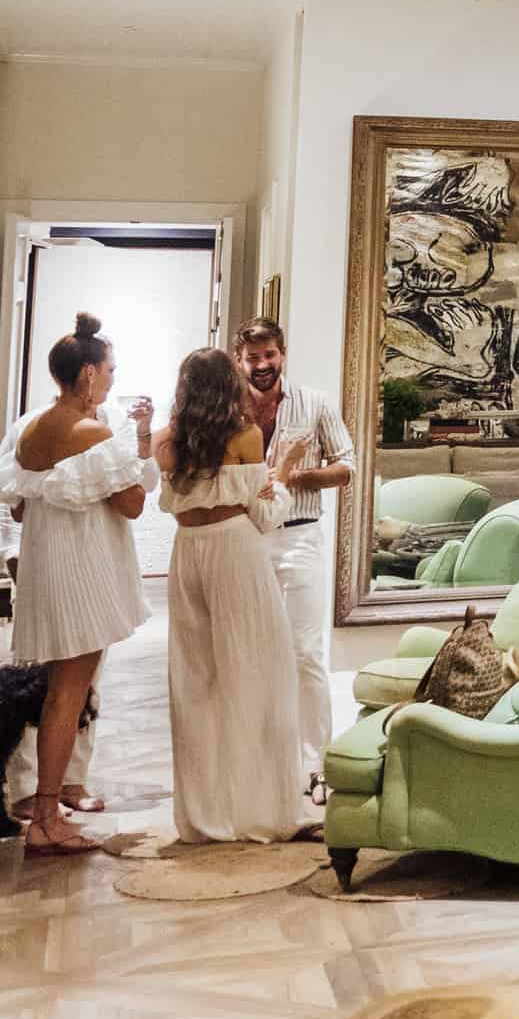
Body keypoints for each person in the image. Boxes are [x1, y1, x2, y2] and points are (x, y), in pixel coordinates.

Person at [0, 314, 153, 855]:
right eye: (109, 370)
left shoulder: (30, 429)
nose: (112, 379)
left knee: (59, 690)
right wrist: (137, 450)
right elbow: (132, 504)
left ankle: (44, 804)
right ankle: (46, 817)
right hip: (83, 572)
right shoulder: (92, 432)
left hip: (47, 568)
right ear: (87, 374)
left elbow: (18, 503)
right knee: (71, 691)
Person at [157, 349, 311, 843]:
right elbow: (266, 516)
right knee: (260, 676)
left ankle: (205, 818)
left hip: (187, 556)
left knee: (195, 683)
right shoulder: (245, 437)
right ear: (230, 385)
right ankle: (260, 812)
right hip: (235, 552)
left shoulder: (167, 442)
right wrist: (284, 468)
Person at [232, 317, 355, 798]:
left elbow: (348, 466)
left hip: (301, 536)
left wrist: (293, 478)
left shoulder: (316, 403)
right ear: (239, 360)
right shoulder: (228, 410)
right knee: (253, 653)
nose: (262, 366)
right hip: (243, 539)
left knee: (306, 653)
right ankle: (263, 765)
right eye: (252, 358)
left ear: (283, 354)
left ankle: (316, 765)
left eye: (269, 356)